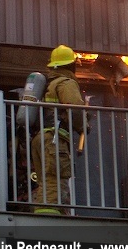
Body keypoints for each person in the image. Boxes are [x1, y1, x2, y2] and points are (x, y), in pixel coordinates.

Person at [30, 44, 87, 215]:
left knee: (46, 179)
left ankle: (48, 211)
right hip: (54, 139)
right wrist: (83, 125)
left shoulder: (47, 85)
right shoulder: (65, 83)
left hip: (39, 138)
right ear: (71, 65)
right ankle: (50, 214)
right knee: (56, 177)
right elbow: (75, 108)